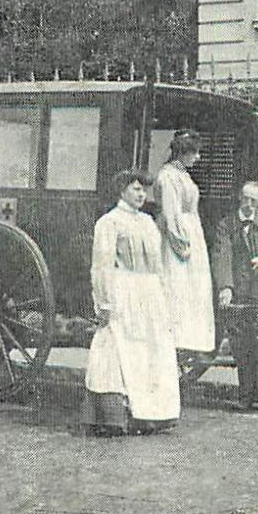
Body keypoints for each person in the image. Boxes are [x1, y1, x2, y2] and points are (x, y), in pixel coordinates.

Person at [84, 169, 180, 436]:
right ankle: (113, 415)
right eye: (136, 189)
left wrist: (164, 296)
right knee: (119, 348)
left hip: (148, 293)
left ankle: (149, 416)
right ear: (122, 190)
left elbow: (158, 266)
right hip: (123, 290)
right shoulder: (109, 222)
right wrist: (103, 302)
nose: (141, 194)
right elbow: (101, 266)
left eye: (143, 190)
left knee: (149, 352)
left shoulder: (148, 222)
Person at [210, 180, 258, 411]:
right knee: (242, 346)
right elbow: (222, 256)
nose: (249, 204)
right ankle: (245, 396)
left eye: (254, 200)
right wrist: (225, 287)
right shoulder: (227, 224)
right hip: (238, 293)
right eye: (245, 199)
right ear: (239, 198)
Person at [154, 130, 217, 369]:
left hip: (191, 231)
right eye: (194, 152)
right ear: (183, 152)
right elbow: (171, 213)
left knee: (193, 289)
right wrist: (181, 243)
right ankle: (174, 340)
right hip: (176, 237)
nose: (198, 157)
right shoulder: (167, 176)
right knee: (176, 286)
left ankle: (189, 341)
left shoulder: (183, 175)